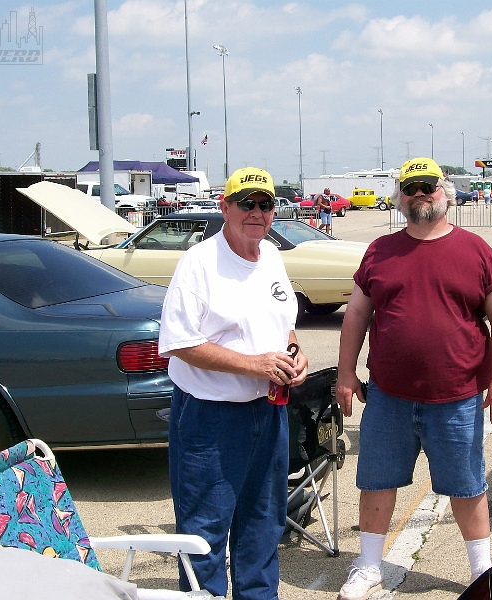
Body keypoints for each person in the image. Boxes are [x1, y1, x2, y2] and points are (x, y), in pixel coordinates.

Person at [335, 157, 492, 600]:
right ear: (400, 196)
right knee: (376, 481)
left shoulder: (476, 250)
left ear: (445, 192)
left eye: (427, 186)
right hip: (388, 397)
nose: (420, 194)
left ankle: (480, 573)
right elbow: (357, 313)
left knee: (467, 486)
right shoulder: (379, 250)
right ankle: (369, 567)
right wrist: (345, 373)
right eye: (410, 187)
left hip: (457, 398)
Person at [158, 166, 309, 600]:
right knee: (204, 534)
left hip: (269, 412)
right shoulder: (199, 263)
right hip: (211, 419)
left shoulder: (273, 256)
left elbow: (287, 329)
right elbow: (179, 343)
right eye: (247, 203)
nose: (256, 212)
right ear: (225, 207)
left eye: (265, 204)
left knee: (264, 525)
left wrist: (294, 358)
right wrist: (254, 365)